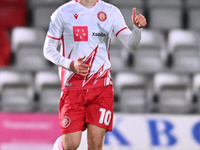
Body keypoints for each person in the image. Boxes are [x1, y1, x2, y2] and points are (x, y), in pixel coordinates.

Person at [43, 0, 147, 149]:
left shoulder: (111, 11)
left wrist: (137, 29)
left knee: (96, 144)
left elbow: (131, 44)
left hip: (101, 87)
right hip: (73, 85)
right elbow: (48, 50)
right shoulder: (62, 12)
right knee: (71, 144)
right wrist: (70, 64)